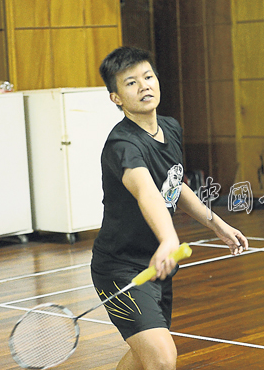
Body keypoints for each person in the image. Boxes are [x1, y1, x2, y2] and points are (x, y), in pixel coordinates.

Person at [91, 46, 249, 369]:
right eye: (131, 82)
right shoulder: (123, 145)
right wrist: (168, 238)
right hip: (120, 270)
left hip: (158, 266)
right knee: (162, 358)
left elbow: (173, 186)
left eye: (148, 77)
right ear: (116, 97)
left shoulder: (171, 129)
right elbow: (147, 192)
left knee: (143, 358)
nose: (144, 86)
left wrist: (217, 224)